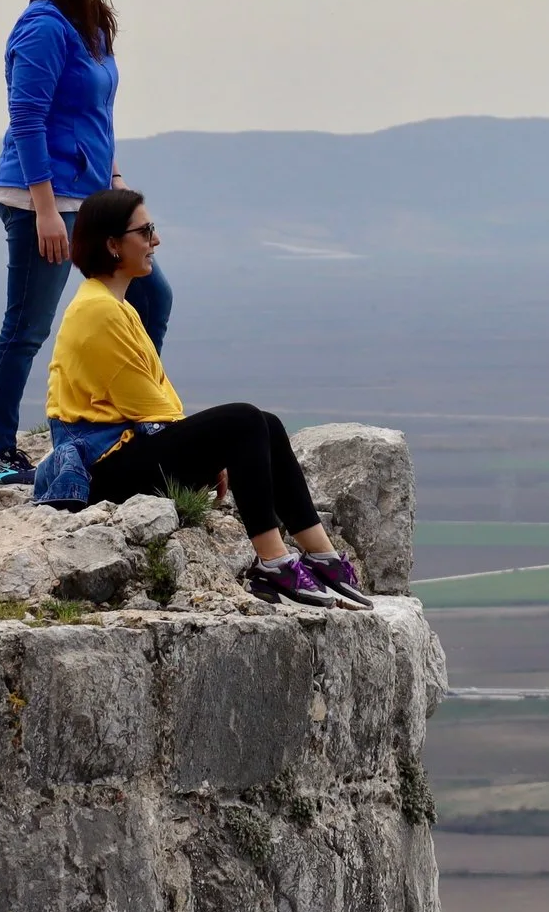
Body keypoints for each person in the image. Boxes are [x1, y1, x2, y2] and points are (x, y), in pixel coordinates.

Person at [42, 188, 370, 610]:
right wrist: (211, 452)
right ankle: (273, 561)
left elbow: (158, 394)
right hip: (101, 471)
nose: (155, 240)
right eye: (145, 231)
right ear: (112, 244)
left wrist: (206, 450)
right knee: (244, 420)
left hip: (119, 454)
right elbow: (151, 405)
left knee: (264, 423)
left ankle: (322, 556)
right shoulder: (98, 311)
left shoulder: (113, 305)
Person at [0, 0, 174, 484]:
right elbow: (28, 117)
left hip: (89, 197)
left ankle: (135, 416)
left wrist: (113, 177)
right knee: (28, 326)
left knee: (151, 298)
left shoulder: (91, 24)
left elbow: (97, 113)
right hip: (39, 197)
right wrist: (43, 209)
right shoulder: (42, 28)